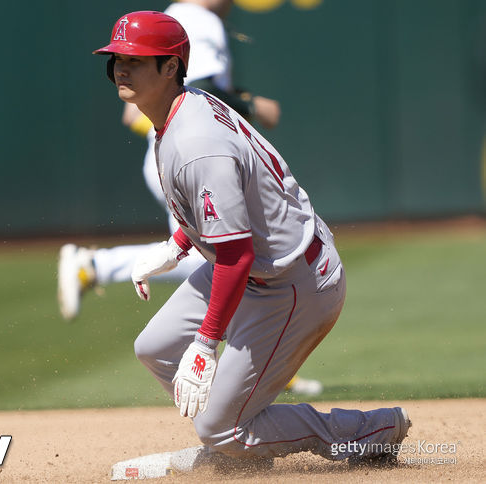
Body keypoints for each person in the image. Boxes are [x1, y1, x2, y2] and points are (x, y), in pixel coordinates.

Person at [90, 10, 411, 473]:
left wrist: (205, 343)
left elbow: (236, 257)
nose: (122, 67)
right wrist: (176, 246)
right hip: (260, 265)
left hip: (292, 281)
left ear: (171, 67)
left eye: (138, 60)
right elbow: (235, 206)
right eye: (117, 58)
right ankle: (240, 450)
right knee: (154, 349)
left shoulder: (196, 140)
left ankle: (370, 430)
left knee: (218, 426)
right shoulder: (182, 108)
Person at [58, 0, 322, 397]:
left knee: (213, 255)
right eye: (118, 61)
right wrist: (253, 105)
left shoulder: (175, 18)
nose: (120, 69)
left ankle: (98, 265)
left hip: (177, 155)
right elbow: (200, 88)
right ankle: (96, 264)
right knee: (221, 256)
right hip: (186, 161)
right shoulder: (195, 21)